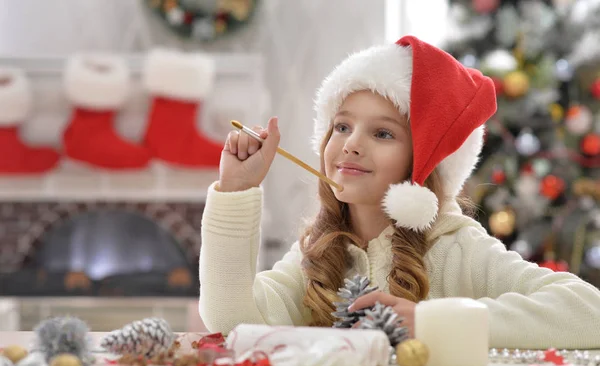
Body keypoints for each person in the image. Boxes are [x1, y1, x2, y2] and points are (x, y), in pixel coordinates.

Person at [199, 36, 600, 349]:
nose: (351, 144)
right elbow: (230, 323)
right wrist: (236, 191)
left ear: (421, 163)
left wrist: (433, 323)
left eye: (383, 133)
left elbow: (589, 312)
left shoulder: (455, 247)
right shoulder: (316, 254)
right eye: (341, 126)